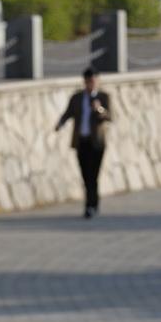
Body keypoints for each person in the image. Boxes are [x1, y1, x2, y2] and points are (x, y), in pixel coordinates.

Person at [54, 67, 112, 218]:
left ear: (97, 81)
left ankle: (92, 205)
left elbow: (109, 116)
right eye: (88, 81)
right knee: (85, 175)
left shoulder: (103, 96)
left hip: (97, 143)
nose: (90, 84)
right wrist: (60, 123)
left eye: (93, 81)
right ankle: (90, 204)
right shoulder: (77, 98)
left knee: (93, 175)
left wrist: (99, 109)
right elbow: (68, 113)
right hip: (81, 141)